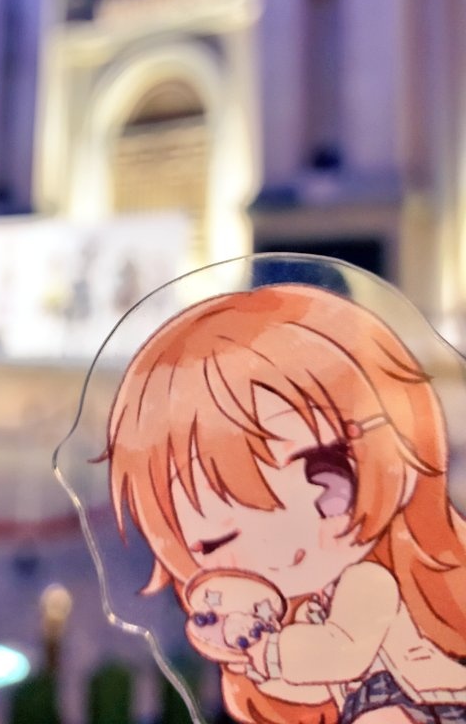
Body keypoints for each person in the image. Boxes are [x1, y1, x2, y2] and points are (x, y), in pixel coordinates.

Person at [106, 282, 466, 724]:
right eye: (219, 539)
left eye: (327, 475)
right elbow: (311, 682)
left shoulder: (369, 580)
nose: (285, 543)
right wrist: (255, 665)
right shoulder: (313, 606)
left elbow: (344, 652)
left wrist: (266, 651)